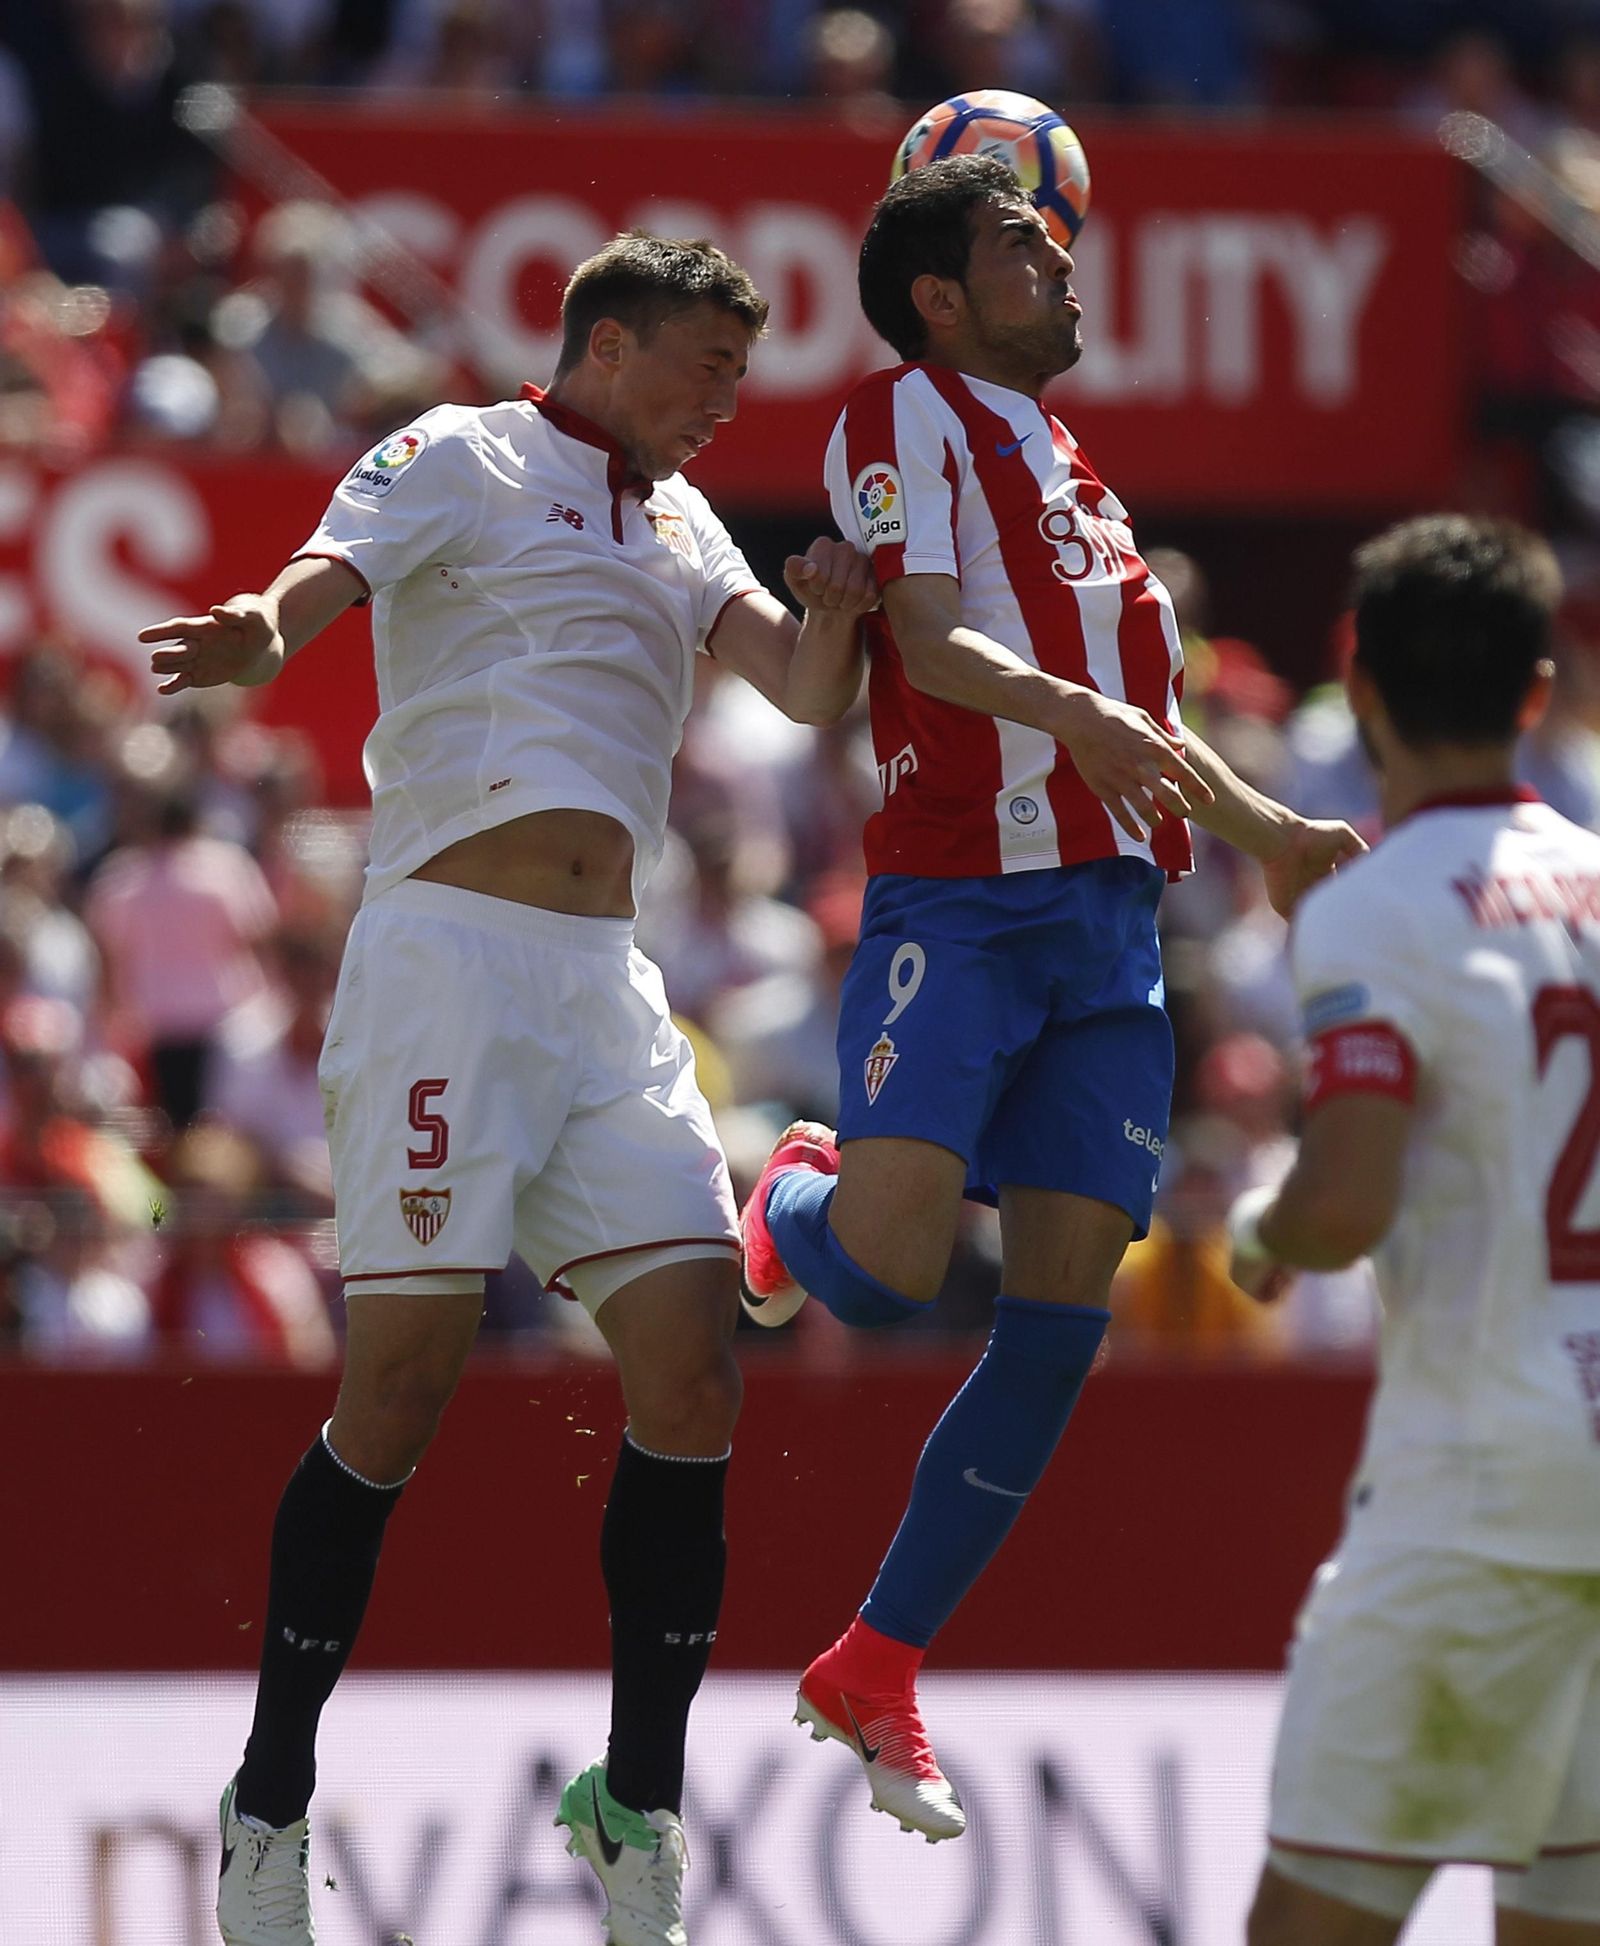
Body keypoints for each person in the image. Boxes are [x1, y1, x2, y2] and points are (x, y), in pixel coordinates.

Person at [140, 230, 875, 1946]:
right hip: (446, 964)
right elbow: (325, 570)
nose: (720, 403)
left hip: (608, 989)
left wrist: (837, 618)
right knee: (400, 1391)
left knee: (694, 1372)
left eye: (736, 377)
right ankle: (266, 1802)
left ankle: (636, 1805)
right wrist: (262, 625)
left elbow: (800, 683)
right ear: (606, 346)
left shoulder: (685, 523)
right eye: (700, 367)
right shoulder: (463, 451)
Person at [738, 154, 1364, 1842]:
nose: (1063, 259)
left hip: (1109, 929)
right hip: (967, 896)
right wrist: (1079, 721)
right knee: (878, 1272)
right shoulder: (898, 417)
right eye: (1025, 242)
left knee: (1066, 1313)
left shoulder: (1077, 465)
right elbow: (930, 642)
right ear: (942, 297)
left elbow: (1132, 726)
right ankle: (789, 1197)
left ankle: (879, 1658)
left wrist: (1272, 835)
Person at [1228, 515, 1600, 1946]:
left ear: (1361, 690)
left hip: (1476, 1495)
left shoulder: (1370, 908)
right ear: (1534, 693)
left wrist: (1265, 1227)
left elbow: (1345, 1201)